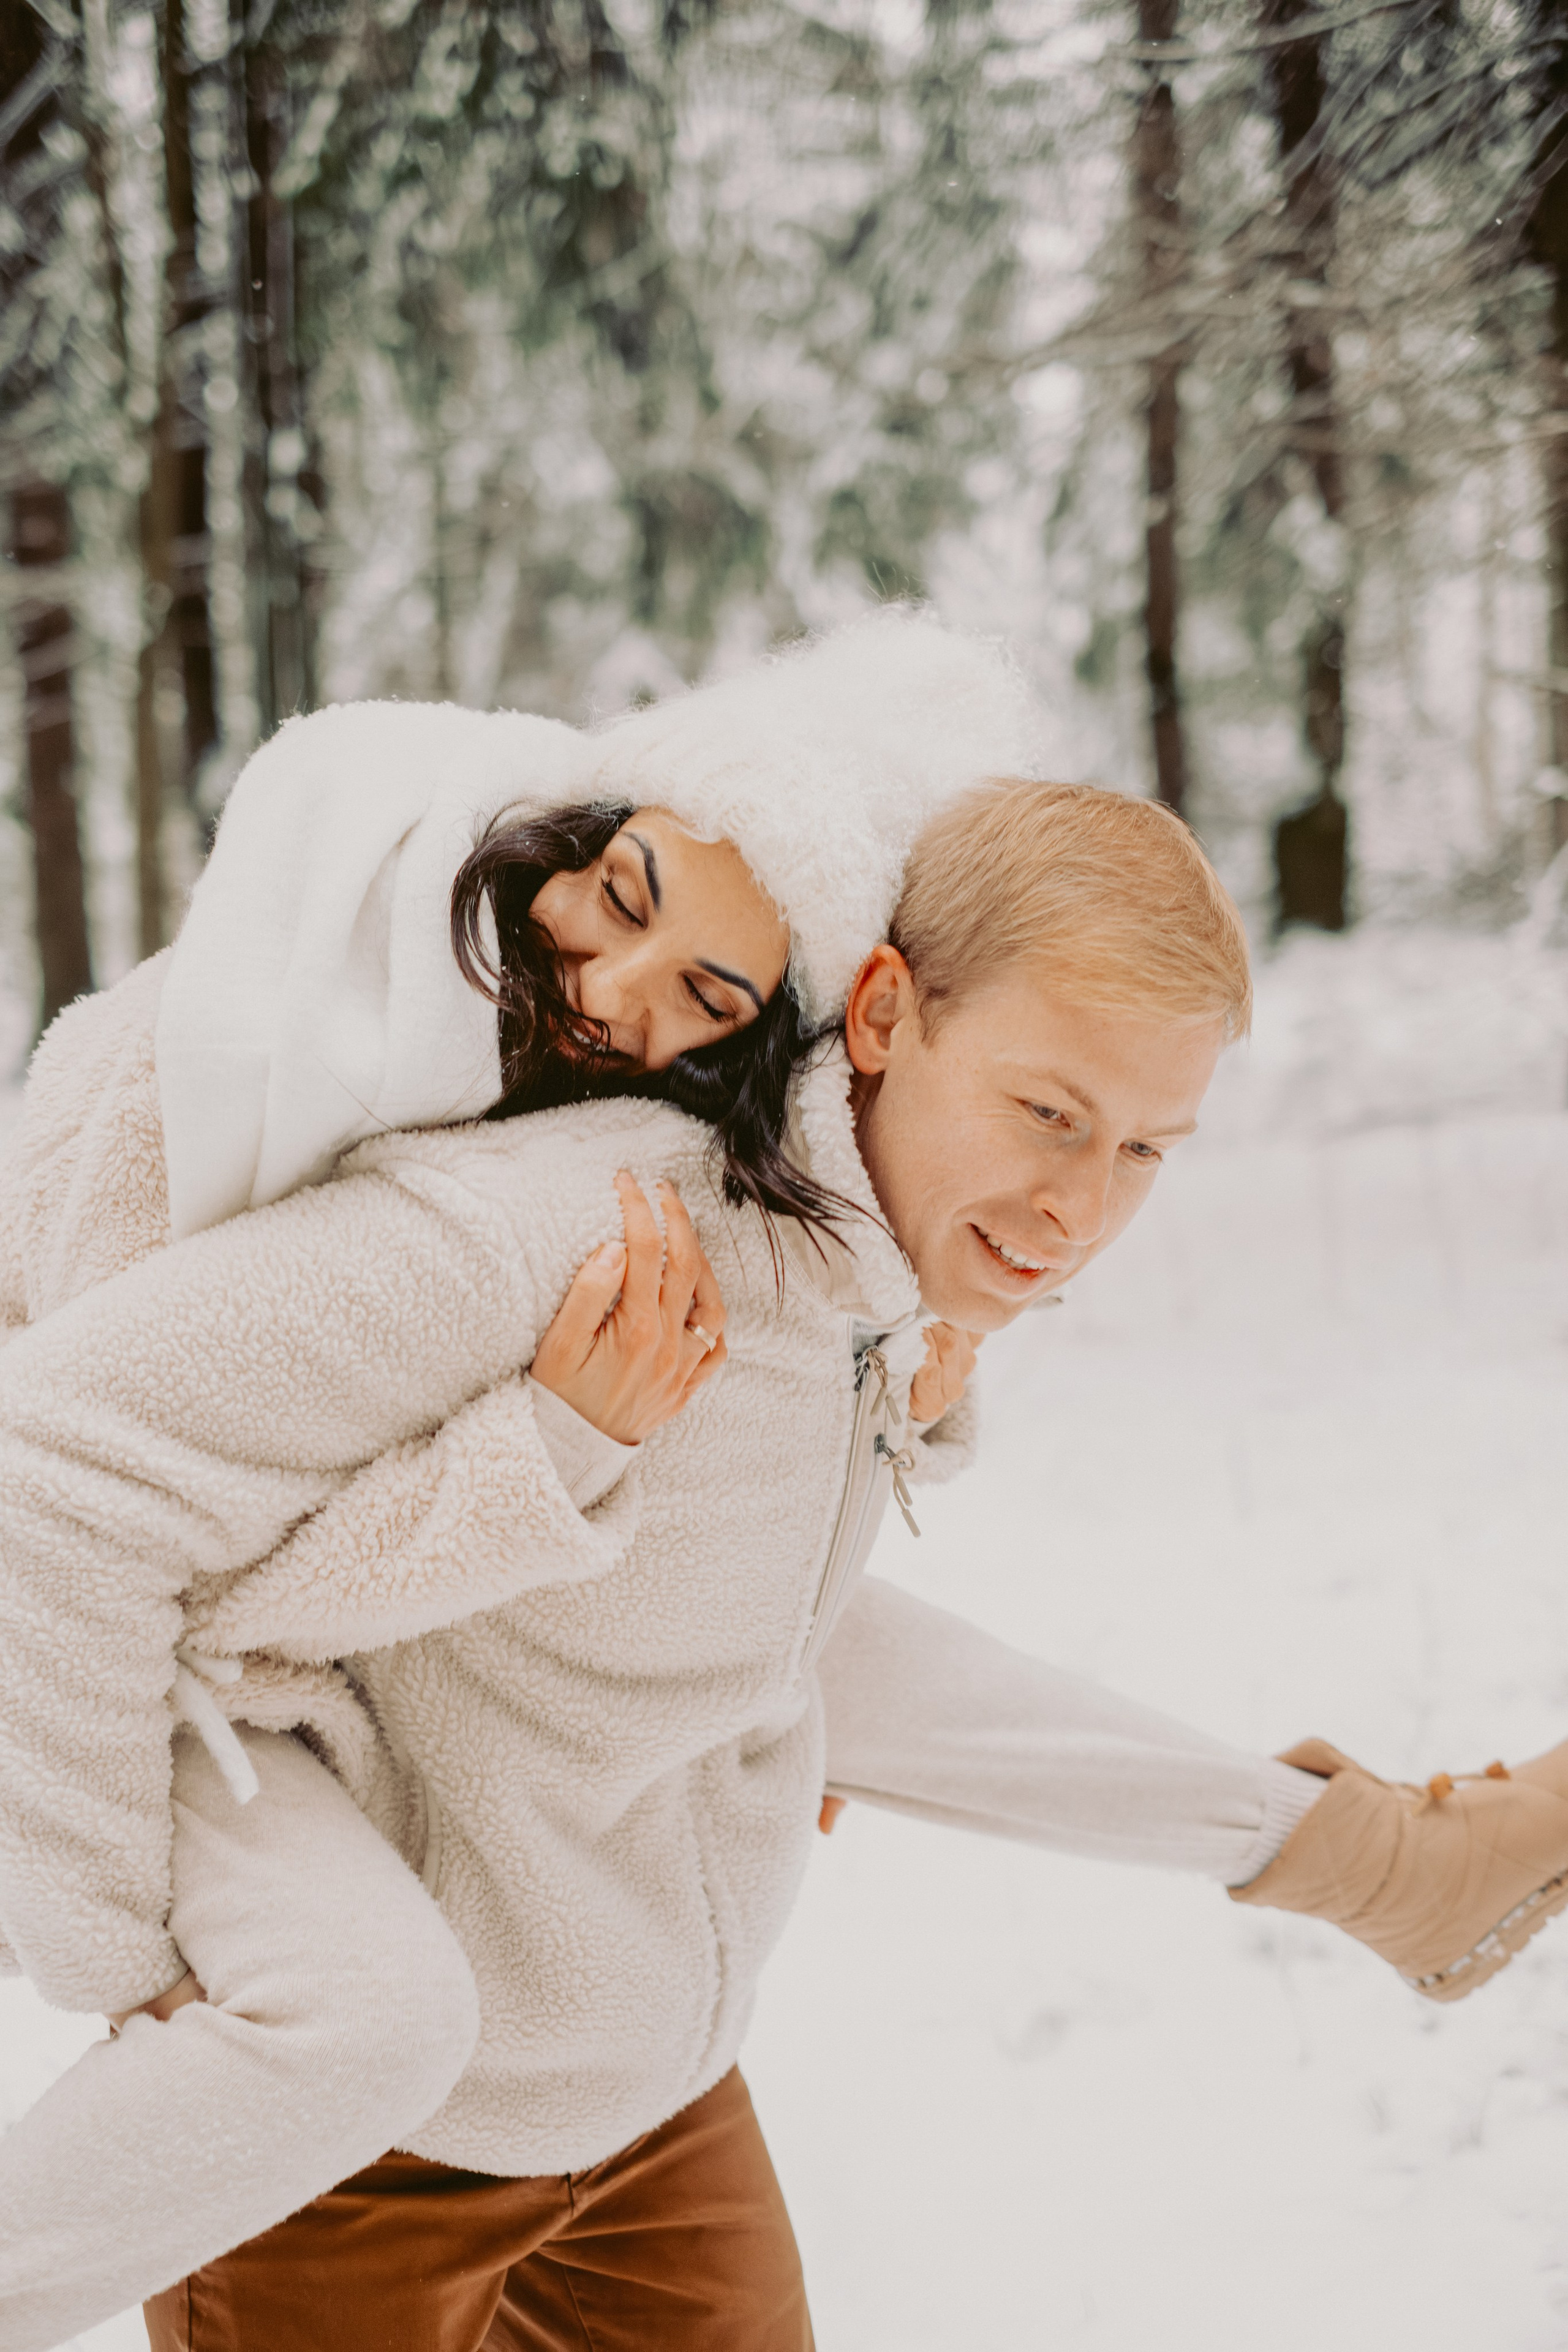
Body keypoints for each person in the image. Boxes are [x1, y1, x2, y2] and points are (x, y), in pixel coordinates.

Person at [4, 654, 1567, 2351]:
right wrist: (125, 1950)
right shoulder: (565, 1231)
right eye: (1048, 1114)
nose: (1080, 1211)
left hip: (652, 2102)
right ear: (882, 1015)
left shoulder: (846, 1287)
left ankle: (1389, 1863)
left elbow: (815, 1650)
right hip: (362, 2157)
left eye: (1141, 1152)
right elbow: (50, 1471)